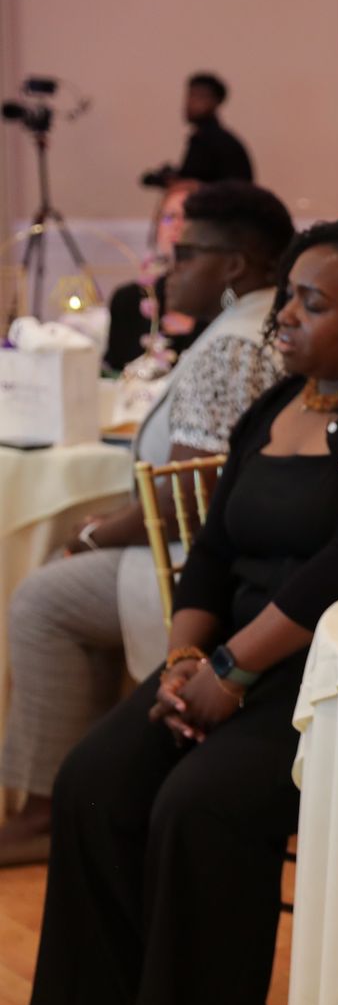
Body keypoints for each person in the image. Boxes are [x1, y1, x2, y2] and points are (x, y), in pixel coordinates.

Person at [17, 219, 338, 1005]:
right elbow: (215, 550)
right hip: (230, 658)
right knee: (95, 780)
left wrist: (233, 672)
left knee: (200, 808)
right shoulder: (277, 405)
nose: (287, 319)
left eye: (313, 302)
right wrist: (188, 661)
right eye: (287, 299)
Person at [0, 182, 294, 867]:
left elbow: (192, 495)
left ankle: (48, 806)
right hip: (233, 553)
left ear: (235, 264)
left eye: (185, 254)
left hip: (201, 568)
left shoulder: (232, 346)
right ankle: (93, 786)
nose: (169, 271)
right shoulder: (261, 326)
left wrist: (97, 534)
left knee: (44, 599)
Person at [104, 179, 203, 370]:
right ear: (157, 227)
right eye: (169, 217)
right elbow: (113, 373)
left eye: (189, 217)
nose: (177, 225)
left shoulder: (223, 302)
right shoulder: (128, 300)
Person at [174, 71, 253, 184]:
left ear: (215, 101)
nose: (190, 102)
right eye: (190, 95)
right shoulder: (203, 138)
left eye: (199, 97)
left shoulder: (216, 141)